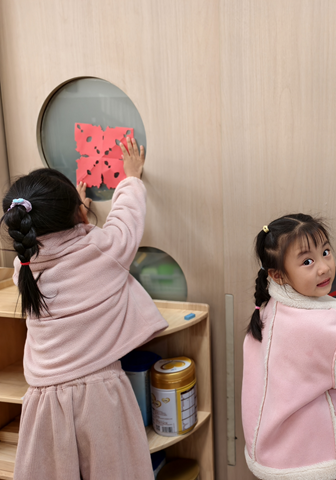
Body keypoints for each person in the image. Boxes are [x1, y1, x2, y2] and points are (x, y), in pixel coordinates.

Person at [3, 137, 168, 480]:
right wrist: (130, 178)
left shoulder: (24, 269)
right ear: (81, 213)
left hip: (44, 403)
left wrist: (72, 213)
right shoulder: (103, 249)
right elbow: (126, 220)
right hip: (100, 397)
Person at [242, 214, 336, 480]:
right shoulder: (319, 325)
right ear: (278, 275)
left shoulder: (268, 311)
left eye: (325, 252)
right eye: (307, 262)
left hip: (273, 450)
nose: (323, 268)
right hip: (310, 459)